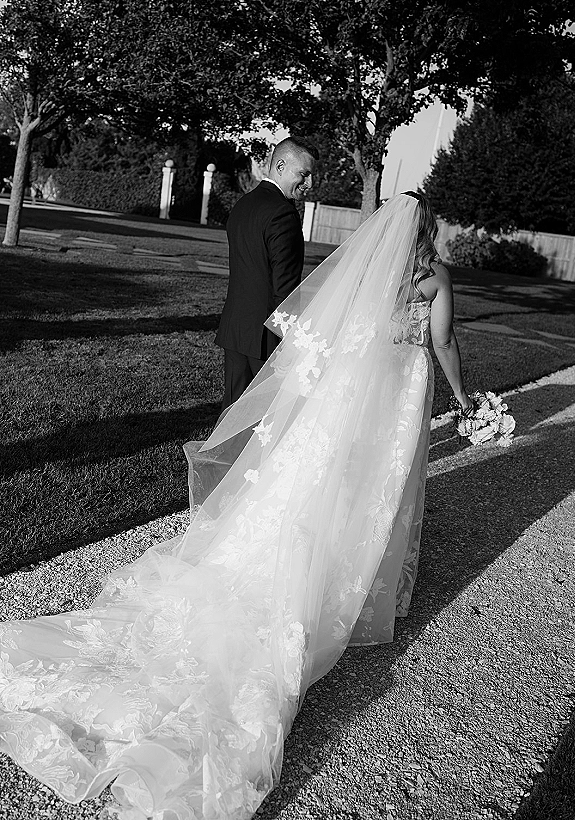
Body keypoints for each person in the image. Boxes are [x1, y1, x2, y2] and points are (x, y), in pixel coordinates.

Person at [0, 192, 472, 820]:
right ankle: (362, 586)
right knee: (376, 492)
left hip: (354, 389)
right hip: (398, 389)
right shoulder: (432, 278)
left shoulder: (363, 271)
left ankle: (306, 564)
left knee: (320, 484)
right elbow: (441, 343)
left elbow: (328, 336)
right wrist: (466, 398)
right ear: (431, 229)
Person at [215, 136, 319, 410]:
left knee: (234, 410)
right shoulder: (283, 214)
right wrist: (290, 343)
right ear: (281, 166)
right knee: (263, 418)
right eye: (304, 174)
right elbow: (284, 288)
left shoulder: (244, 204)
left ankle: (225, 454)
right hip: (265, 336)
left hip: (235, 326)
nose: (309, 184)